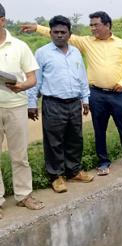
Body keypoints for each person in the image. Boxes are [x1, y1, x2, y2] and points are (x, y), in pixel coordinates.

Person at [22, 11, 122, 176]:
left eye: (96, 25)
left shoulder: (121, 44)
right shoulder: (87, 42)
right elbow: (61, 34)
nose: (92, 28)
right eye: (91, 25)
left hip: (118, 94)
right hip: (97, 94)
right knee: (98, 130)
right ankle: (103, 162)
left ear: (107, 26)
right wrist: (37, 27)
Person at [27, 15, 94, 193]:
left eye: (63, 32)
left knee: (75, 138)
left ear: (69, 34)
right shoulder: (42, 53)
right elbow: (36, 80)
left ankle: (74, 171)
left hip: (74, 103)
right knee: (54, 141)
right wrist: (32, 102)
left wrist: (85, 98)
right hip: (53, 103)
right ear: (50, 33)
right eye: (55, 32)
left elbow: (82, 77)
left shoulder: (76, 53)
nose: (59, 35)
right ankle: (56, 176)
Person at [0, 2, 44, 217]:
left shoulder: (19, 46)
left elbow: (32, 79)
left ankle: (23, 195)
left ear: (2, 21)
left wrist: (20, 86)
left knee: (20, 155)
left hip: (16, 106)